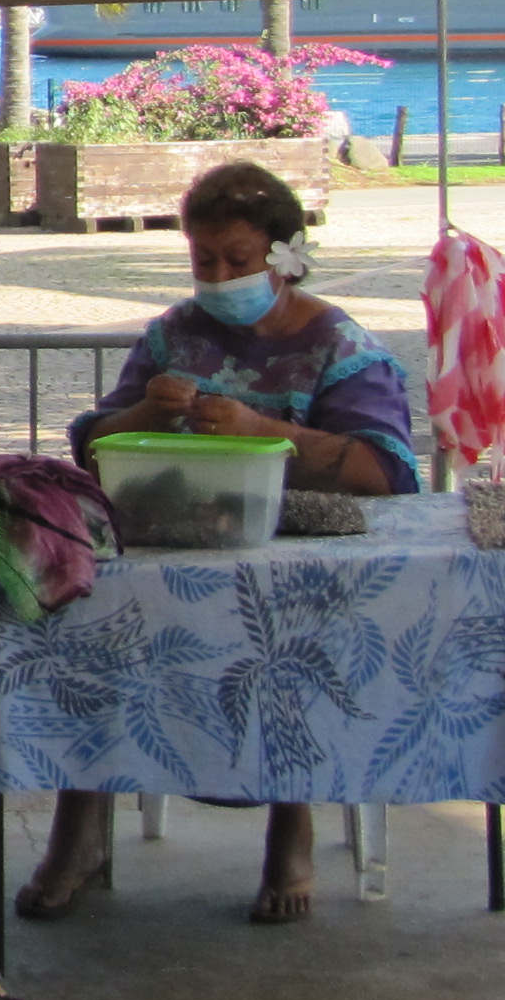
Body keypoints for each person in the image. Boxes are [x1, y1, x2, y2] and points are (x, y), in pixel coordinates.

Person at [28, 157, 416, 927]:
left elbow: (386, 470)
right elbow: (91, 444)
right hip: (171, 544)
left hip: (297, 555)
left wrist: (266, 432)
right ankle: (82, 826)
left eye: (237, 261)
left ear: (281, 255)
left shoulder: (341, 345)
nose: (219, 275)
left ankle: (291, 821)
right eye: (204, 260)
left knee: (294, 649)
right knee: (92, 630)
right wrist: (143, 412)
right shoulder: (172, 336)